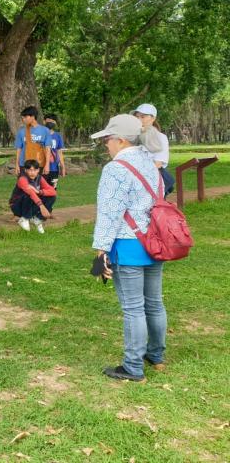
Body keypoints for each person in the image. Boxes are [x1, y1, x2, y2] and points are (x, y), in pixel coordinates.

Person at [90, 114, 167, 382]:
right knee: (154, 304)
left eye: (108, 140)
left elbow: (110, 213)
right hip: (154, 242)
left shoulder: (116, 168)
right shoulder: (150, 162)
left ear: (121, 140)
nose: (106, 145)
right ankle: (156, 356)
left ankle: (133, 367)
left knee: (134, 308)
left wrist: (101, 253)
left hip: (128, 243)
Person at [131, 104, 174, 195]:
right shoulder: (133, 137)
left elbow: (158, 164)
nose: (139, 120)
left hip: (153, 181)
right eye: (137, 117)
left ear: (153, 118)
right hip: (135, 181)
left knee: (154, 208)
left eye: (143, 117)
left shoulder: (160, 138)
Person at [9, 159, 56, 233]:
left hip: (31, 204)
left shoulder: (39, 178)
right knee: (28, 194)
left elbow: (53, 191)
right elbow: (30, 192)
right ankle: (24, 218)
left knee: (51, 197)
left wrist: (39, 191)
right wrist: (42, 206)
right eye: (30, 170)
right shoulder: (22, 179)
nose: (32, 173)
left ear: (38, 170)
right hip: (17, 206)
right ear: (25, 170)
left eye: (34, 170)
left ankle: (37, 219)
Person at [14, 106, 52, 177]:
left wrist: (47, 165)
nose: (23, 119)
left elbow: (48, 149)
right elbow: (19, 149)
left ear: (33, 117)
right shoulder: (21, 132)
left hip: (39, 164)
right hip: (24, 165)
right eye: (23, 118)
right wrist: (17, 165)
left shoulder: (45, 130)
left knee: (39, 187)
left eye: (25, 117)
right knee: (24, 186)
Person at [43, 114, 66, 188]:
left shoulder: (58, 136)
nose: (50, 122)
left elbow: (59, 152)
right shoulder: (40, 135)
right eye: (48, 120)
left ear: (55, 123)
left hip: (54, 168)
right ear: (44, 121)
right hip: (41, 168)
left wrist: (63, 167)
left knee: (53, 190)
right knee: (41, 190)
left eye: (52, 121)